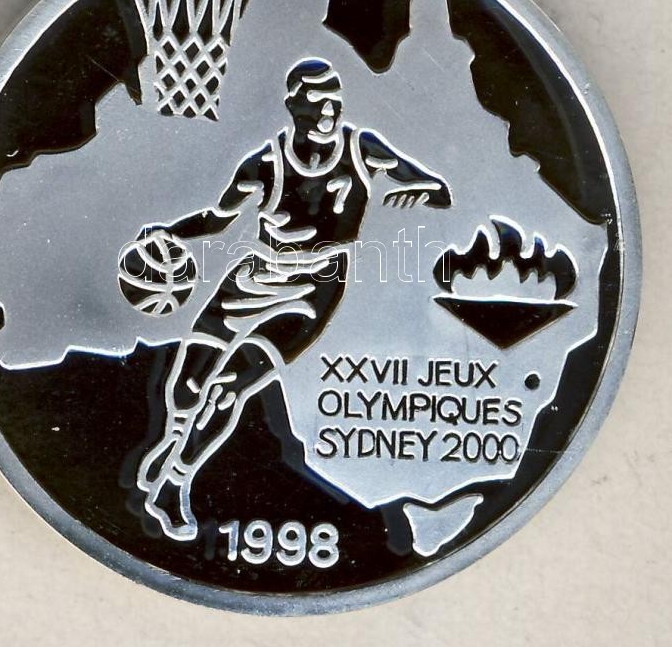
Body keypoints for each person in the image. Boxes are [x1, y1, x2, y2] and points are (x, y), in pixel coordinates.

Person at [126, 58, 452, 540]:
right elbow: (218, 219)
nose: (329, 111)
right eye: (317, 102)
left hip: (311, 290)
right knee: (187, 387)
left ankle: (175, 483)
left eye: (334, 100)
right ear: (293, 106)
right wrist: (171, 232)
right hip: (254, 275)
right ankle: (173, 441)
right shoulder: (265, 163)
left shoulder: (362, 150)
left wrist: (422, 190)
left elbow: (436, 186)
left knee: (228, 388)